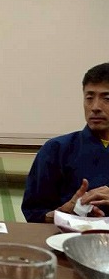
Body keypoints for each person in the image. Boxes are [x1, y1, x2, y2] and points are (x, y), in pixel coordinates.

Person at [22, 62, 109, 223]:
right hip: (67, 237)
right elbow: (34, 214)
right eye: (89, 98)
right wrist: (65, 212)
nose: (95, 107)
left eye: (107, 99)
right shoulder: (56, 150)